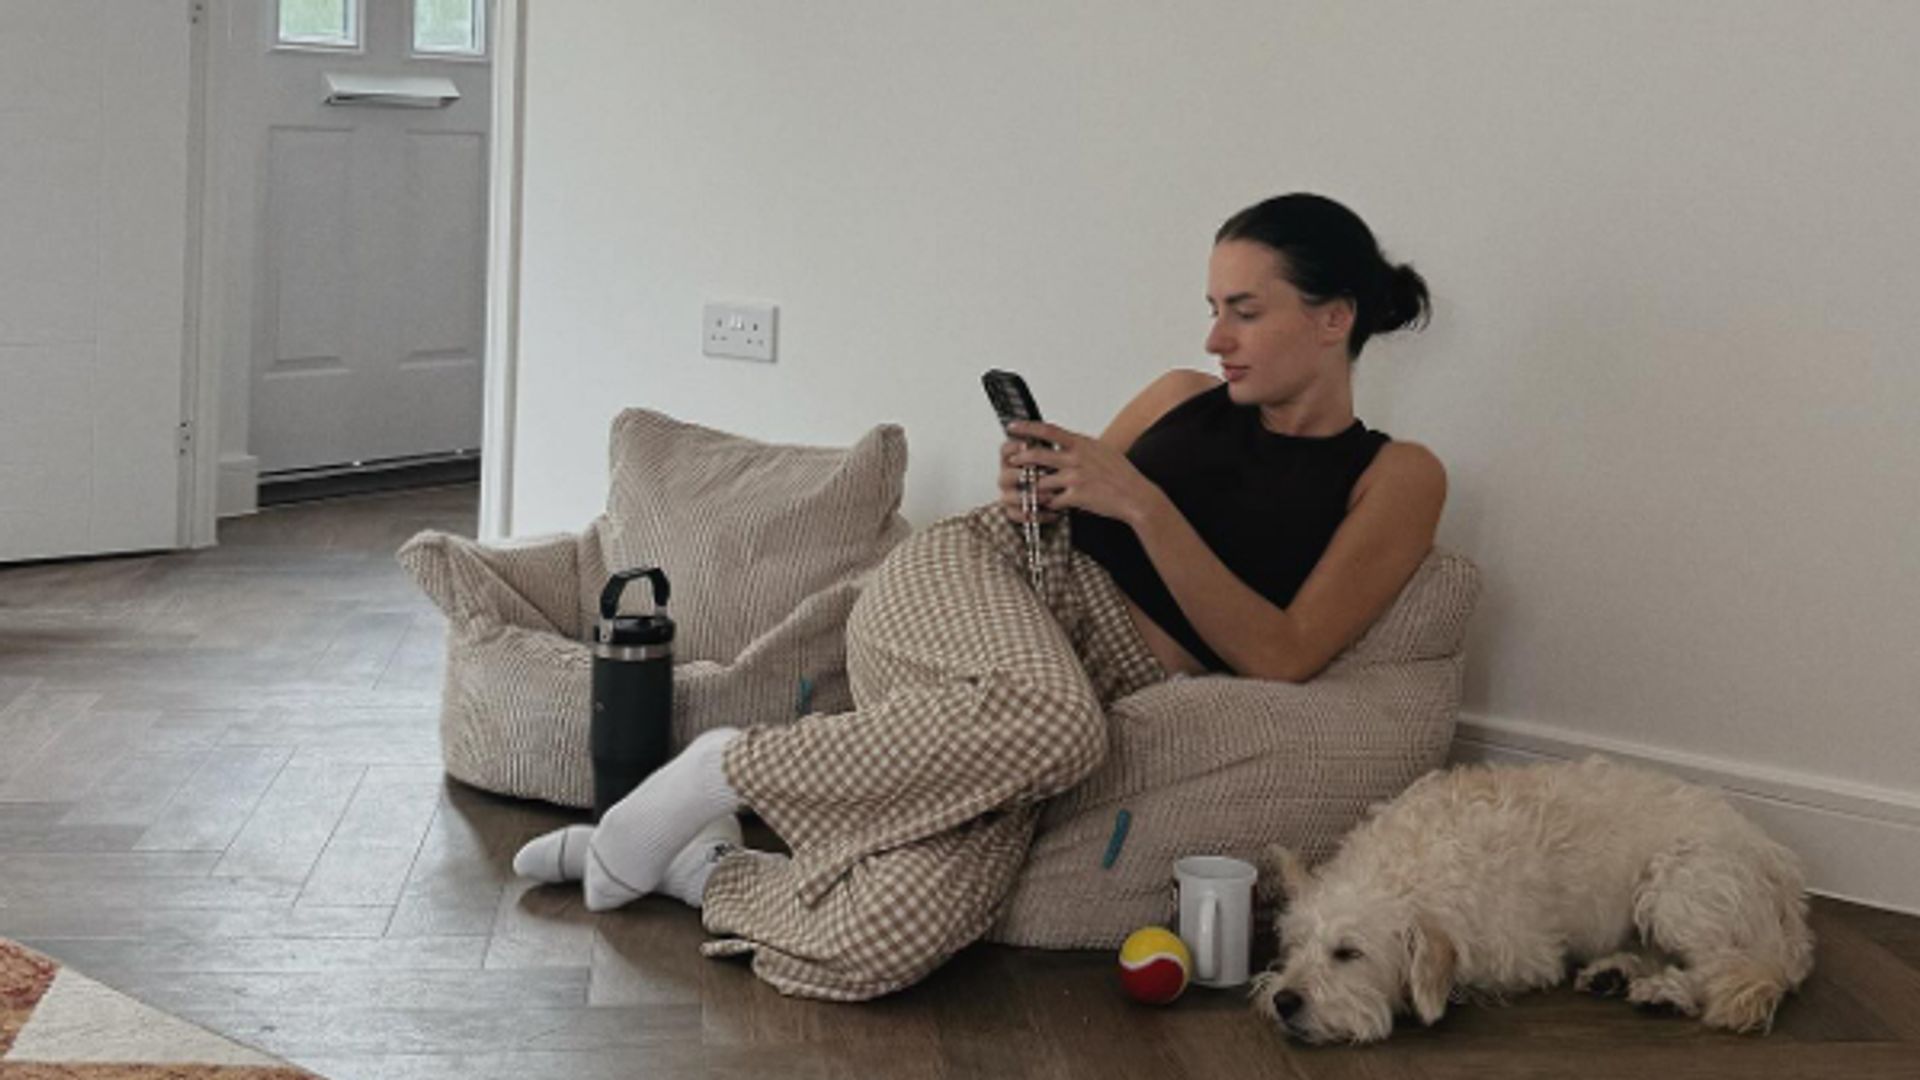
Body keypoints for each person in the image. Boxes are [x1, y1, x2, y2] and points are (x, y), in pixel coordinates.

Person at [511, 192, 1446, 1001]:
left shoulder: (1399, 475)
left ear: (1333, 319)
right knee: (1062, 726)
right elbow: (1057, 513)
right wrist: (1034, 491)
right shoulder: (1177, 395)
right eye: (1213, 310)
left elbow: (1285, 653)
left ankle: (701, 865)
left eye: (1244, 311)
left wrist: (1143, 503)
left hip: (1048, 694)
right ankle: (721, 767)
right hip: (984, 578)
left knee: (884, 943)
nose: (1215, 339)